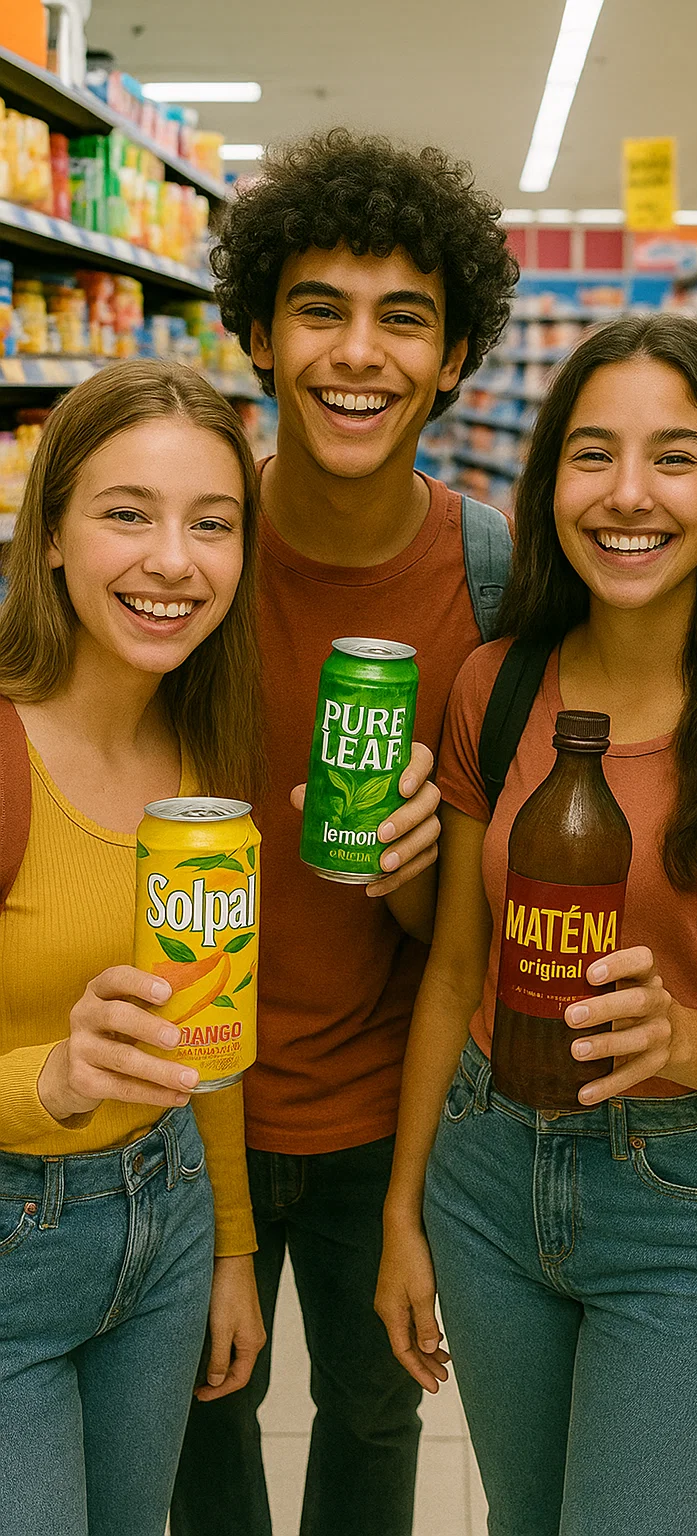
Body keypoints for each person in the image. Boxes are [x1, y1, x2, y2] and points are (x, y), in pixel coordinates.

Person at [375, 314, 697, 1536]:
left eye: (675, 456)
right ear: (548, 489)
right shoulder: (493, 690)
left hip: (686, 1201)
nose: (628, 494)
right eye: (592, 455)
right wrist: (404, 1211)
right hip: (486, 1172)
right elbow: (451, 974)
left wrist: (675, 1039)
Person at [171, 130, 519, 1536]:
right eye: (320, 307)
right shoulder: (177, 554)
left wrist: (410, 884)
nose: (357, 354)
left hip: (396, 1111)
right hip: (184, 1101)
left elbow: (480, 934)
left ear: (452, 360)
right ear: (256, 329)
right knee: (202, 1427)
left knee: (377, 1424)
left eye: (405, 318)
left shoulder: (494, 578)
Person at [0, 360, 267, 1536]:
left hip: (165, 1228)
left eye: (212, 524)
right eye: (127, 513)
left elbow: (202, 1028)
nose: (175, 560)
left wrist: (230, 1251)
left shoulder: (199, 755)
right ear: (50, 533)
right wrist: (48, 1079)